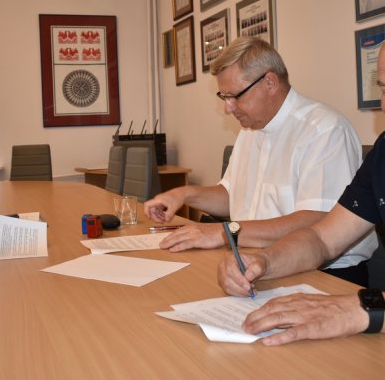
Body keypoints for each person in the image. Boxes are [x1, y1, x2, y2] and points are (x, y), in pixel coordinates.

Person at [144, 36, 378, 286]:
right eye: (224, 97)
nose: (228, 108)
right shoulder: (249, 130)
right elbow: (231, 195)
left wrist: (224, 233)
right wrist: (183, 195)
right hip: (255, 261)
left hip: (324, 274)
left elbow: (316, 222)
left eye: (235, 96)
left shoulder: (324, 130)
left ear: (270, 82)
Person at [217, 41, 385, 344]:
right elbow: (322, 238)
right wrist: (264, 262)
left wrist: (361, 309)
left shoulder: (325, 127)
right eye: (384, 89)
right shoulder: (383, 153)